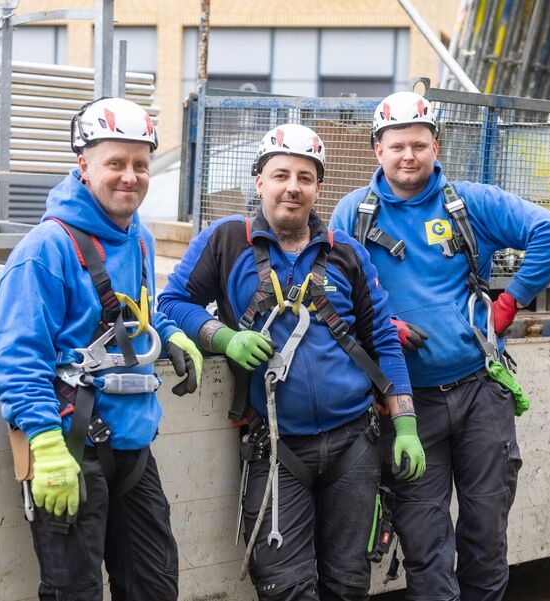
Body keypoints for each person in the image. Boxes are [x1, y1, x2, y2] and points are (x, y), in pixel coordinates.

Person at [158, 123, 425, 601]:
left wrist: (405, 423)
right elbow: (172, 302)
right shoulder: (226, 243)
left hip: (354, 443)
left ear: (319, 188)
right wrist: (224, 338)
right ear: (259, 181)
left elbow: (383, 340)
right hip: (276, 447)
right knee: (285, 588)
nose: (293, 187)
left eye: (305, 177)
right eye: (281, 174)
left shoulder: (348, 254)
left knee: (347, 585)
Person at [330, 91, 550, 601]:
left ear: (435, 146)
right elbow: (330, 287)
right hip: (406, 407)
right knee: (424, 542)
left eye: (419, 145)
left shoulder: (470, 204)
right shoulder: (353, 214)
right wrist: (376, 322)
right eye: (397, 146)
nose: (408, 156)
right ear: (378, 149)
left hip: (479, 391)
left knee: (486, 534)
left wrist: (510, 302)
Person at [0, 97, 203, 601]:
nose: (129, 176)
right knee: (74, 592)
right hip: (70, 445)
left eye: (140, 165)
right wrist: (44, 444)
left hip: (133, 446)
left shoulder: (142, 240)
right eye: (115, 163)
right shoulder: (47, 248)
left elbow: (139, 313)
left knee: (154, 586)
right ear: (83, 165)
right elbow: (18, 356)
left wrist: (170, 332)